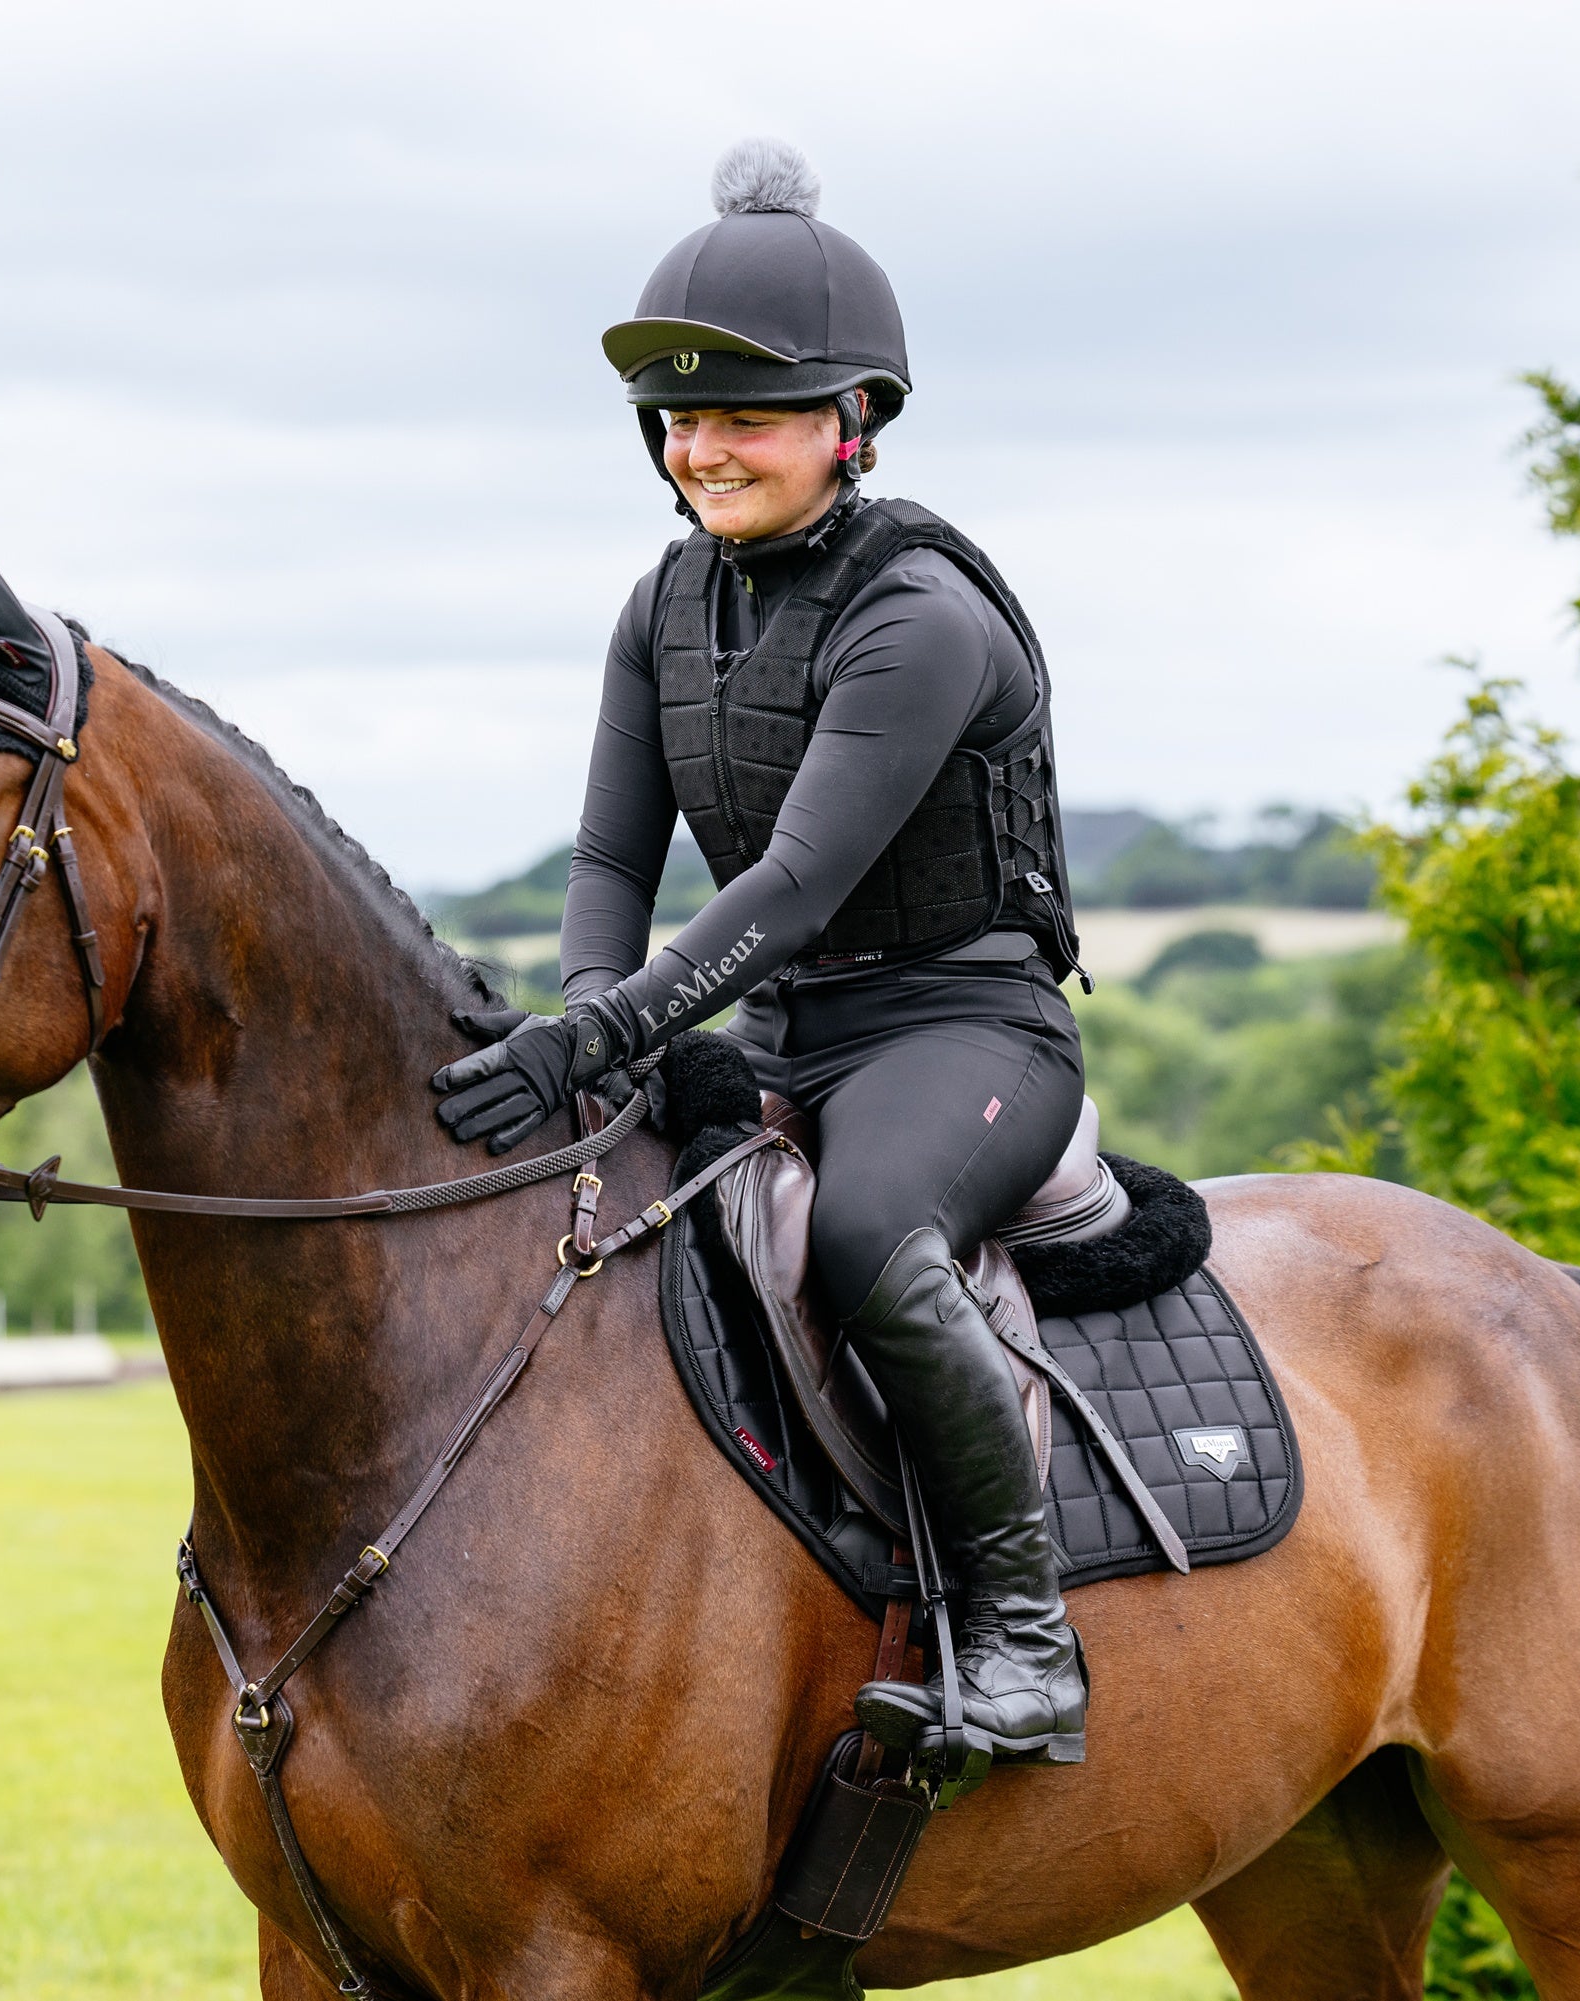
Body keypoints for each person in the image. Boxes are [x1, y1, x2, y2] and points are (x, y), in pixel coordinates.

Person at [430, 139, 1092, 1769]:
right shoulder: (661, 607)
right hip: (782, 1024)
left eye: (743, 415)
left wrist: (602, 1037)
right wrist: (595, 1011)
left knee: (865, 1230)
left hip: (964, 1029)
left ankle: (1023, 1636)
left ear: (849, 421)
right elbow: (609, 858)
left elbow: (792, 882)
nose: (700, 448)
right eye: (678, 417)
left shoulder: (922, 613)